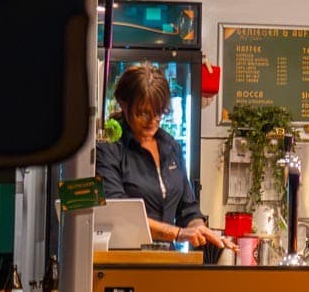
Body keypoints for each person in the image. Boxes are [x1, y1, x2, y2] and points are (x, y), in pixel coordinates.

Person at [95, 63, 227, 250]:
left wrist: (199, 228)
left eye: (159, 112)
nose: (153, 120)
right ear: (124, 104)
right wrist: (178, 233)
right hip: (124, 262)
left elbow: (188, 208)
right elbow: (118, 213)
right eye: (143, 113)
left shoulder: (170, 146)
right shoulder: (109, 149)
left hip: (163, 261)